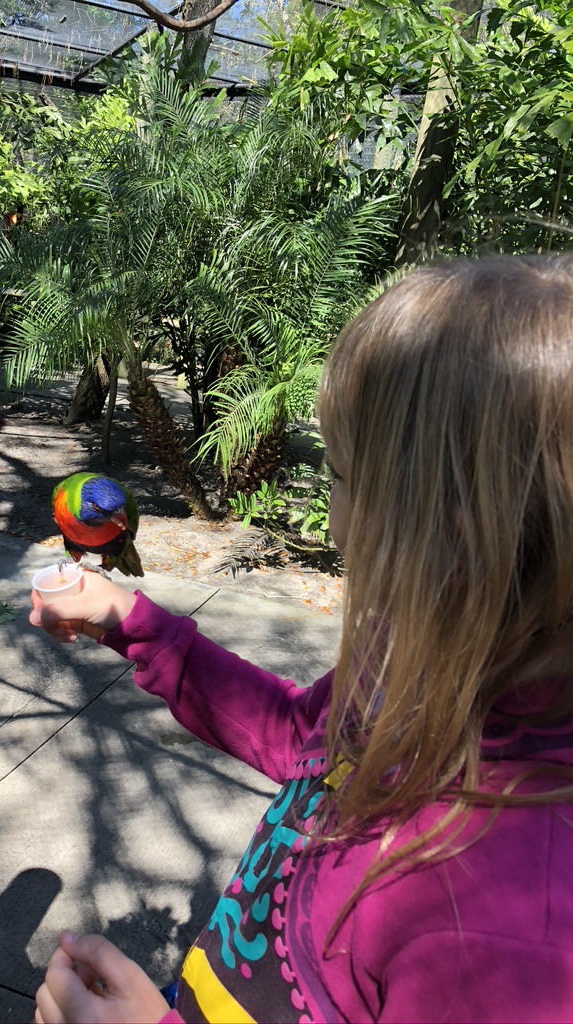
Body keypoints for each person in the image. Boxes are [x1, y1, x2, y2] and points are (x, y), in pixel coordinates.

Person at [30, 256, 573, 1023]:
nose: (339, 524)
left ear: (454, 528)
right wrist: (129, 620)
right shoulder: (404, 659)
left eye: (345, 480)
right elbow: (298, 736)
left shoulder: (516, 929)